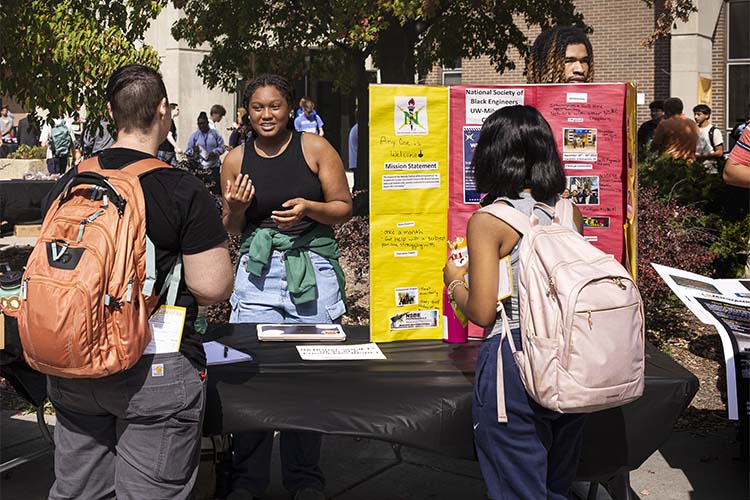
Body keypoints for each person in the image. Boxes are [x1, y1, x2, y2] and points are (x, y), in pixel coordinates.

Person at [41, 63, 233, 499]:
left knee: (78, 492)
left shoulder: (69, 183)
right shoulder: (182, 189)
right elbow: (212, 286)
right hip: (152, 367)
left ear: (111, 112)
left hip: (73, 364)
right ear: (163, 110)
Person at [443, 105, 586, 500]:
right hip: (572, 357)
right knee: (555, 485)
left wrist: (455, 283)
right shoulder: (568, 212)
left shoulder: (490, 220)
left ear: (491, 155)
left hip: (514, 354)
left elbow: (484, 311)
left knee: (517, 485)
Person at [221, 74, 352, 500]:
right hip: (258, 272)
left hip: (310, 266)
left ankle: (304, 478)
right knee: (251, 374)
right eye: (257, 107)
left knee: (306, 375)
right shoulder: (235, 160)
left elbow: (344, 207)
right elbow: (233, 228)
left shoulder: (314, 148)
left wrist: (311, 208)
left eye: (274, 106)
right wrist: (236, 209)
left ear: (291, 108)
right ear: (247, 112)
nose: (266, 115)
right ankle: (248, 480)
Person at [527, 26, 593, 84]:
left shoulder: (600, 98)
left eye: (584, 61)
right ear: (546, 65)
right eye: (569, 61)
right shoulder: (521, 97)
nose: (580, 69)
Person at [185, 111, 225, 192]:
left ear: (207, 123)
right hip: (200, 168)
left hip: (213, 167)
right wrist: (194, 151)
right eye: (199, 124)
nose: (201, 126)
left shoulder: (215, 134)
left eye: (203, 123)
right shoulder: (194, 136)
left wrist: (215, 152)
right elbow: (187, 151)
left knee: (214, 190)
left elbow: (222, 147)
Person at [693, 104, 724, 173]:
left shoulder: (714, 131)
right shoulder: (694, 130)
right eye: (694, 114)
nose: (695, 117)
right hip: (695, 168)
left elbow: (719, 152)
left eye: (698, 114)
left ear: (707, 115)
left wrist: (704, 156)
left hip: (711, 169)